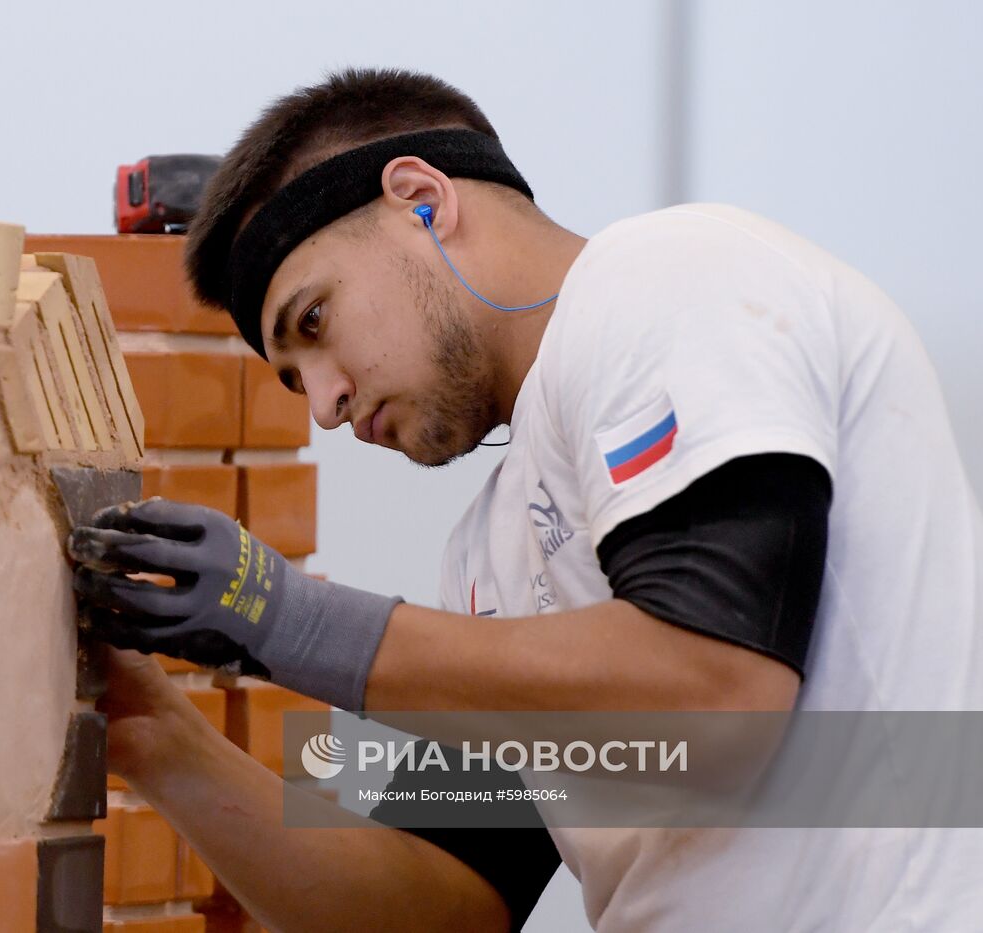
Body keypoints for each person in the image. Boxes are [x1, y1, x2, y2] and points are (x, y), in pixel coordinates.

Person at [68, 68, 983, 931]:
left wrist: (286, 620)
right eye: (292, 378)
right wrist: (156, 736)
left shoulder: (671, 279)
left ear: (422, 202)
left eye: (314, 322)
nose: (326, 401)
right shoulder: (488, 560)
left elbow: (718, 699)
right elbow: (445, 903)